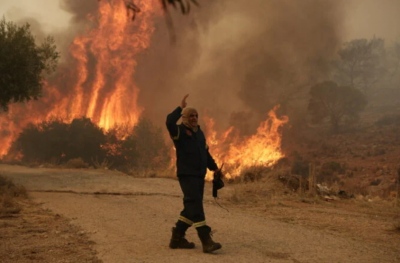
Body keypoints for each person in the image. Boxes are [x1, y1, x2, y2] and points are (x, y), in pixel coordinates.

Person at [166, 94, 222, 253]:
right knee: (196, 206)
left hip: (199, 175)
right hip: (187, 174)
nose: (194, 118)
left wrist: (214, 168)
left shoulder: (199, 133)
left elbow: (205, 153)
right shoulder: (179, 132)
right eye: (191, 115)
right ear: (184, 117)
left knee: (191, 207)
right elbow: (169, 121)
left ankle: (177, 238)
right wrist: (180, 108)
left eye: (196, 115)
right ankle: (206, 240)